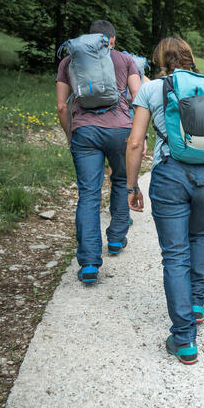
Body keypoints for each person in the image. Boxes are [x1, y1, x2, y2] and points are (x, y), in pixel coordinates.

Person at [125, 37, 204, 365]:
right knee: (198, 235)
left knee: (175, 254)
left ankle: (184, 339)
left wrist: (131, 185)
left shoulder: (151, 90)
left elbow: (135, 143)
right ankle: (196, 304)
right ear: (190, 58)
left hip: (170, 176)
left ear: (159, 60)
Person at [56, 19, 142, 284]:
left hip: (85, 132)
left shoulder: (69, 61)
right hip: (121, 131)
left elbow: (61, 106)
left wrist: (72, 134)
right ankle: (116, 238)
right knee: (121, 181)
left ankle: (90, 264)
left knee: (89, 195)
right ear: (111, 40)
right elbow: (138, 99)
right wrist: (140, 135)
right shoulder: (126, 60)